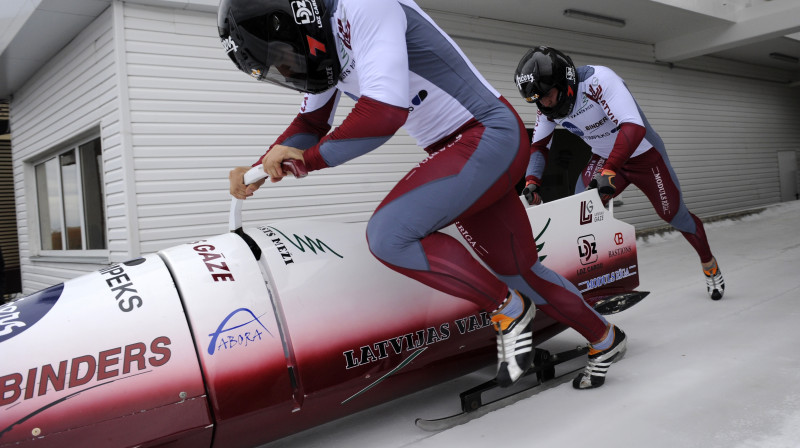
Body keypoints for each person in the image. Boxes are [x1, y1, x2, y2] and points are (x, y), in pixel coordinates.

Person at [219, 0, 625, 389]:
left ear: (300, 22)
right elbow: (310, 119)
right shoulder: (325, 52)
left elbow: (383, 114)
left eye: (283, 55)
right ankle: (606, 338)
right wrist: (259, 168)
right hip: (471, 150)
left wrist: (304, 160)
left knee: (389, 233)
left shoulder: (364, 6)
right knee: (521, 271)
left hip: (487, 135)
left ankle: (509, 310)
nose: (287, 69)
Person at [514, 46, 725, 301]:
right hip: (606, 158)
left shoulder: (599, 80)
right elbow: (538, 146)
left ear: (565, 82)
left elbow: (633, 127)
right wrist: (532, 180)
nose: (544, 104)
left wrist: (610, 169)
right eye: (537, 99)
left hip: (644, 156)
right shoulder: (546, 107)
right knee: (580, 212)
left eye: (547, 96)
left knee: (674, 215)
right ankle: (593, 281)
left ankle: (709, 263)